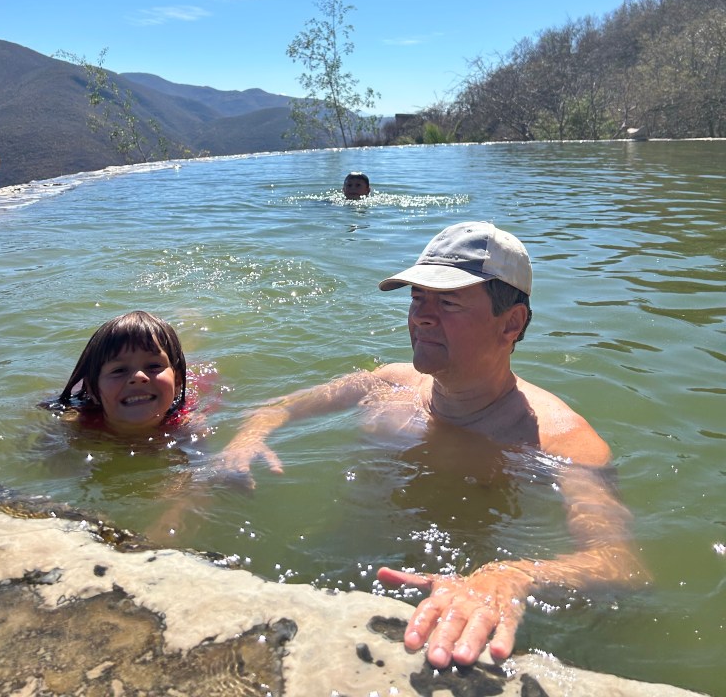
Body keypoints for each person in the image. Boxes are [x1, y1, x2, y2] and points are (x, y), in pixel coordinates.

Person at [217, 221, 648, 669]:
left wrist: (511, 576)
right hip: (332, 567)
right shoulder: (387, 383)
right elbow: (279, 408)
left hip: (462, 611)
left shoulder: (563, 442)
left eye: (447, 302)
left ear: (511, 323)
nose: (421, 316)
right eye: (417, 298)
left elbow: (619, 562)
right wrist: (248, 438)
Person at [49, 311, 188, 436]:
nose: (138, 376)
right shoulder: (77, 425)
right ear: (92, 390)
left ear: (177, 382)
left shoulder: (184, 424)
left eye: (154, 366)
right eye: (119, 370)